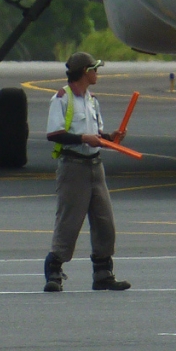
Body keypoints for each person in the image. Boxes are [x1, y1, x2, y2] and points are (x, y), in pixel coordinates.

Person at [43, 51, 131, 293]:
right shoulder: (62, 98)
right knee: (69, 222)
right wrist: (84, 138)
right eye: (94, 69)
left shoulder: (92, 100)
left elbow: (97, 133)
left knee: (104, 222)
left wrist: (109, 137)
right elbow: (54, 134)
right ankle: (54, 271)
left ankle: (103, 273)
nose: (97, 73)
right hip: (74, 167)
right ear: (85, 72)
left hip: (95, 166)